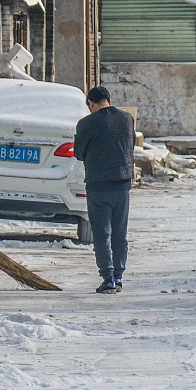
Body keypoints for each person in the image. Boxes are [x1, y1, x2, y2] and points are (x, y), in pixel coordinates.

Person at [74, 85, 135, 294]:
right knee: (120, 233)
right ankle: (118, 276)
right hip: (122, 184)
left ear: (91, 103)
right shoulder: (127, 119)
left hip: (98, 186)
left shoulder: (86, 123)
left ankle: (108, 278)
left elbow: (78, 153)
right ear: (108, 99)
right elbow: (131, 146)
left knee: (102, 234)